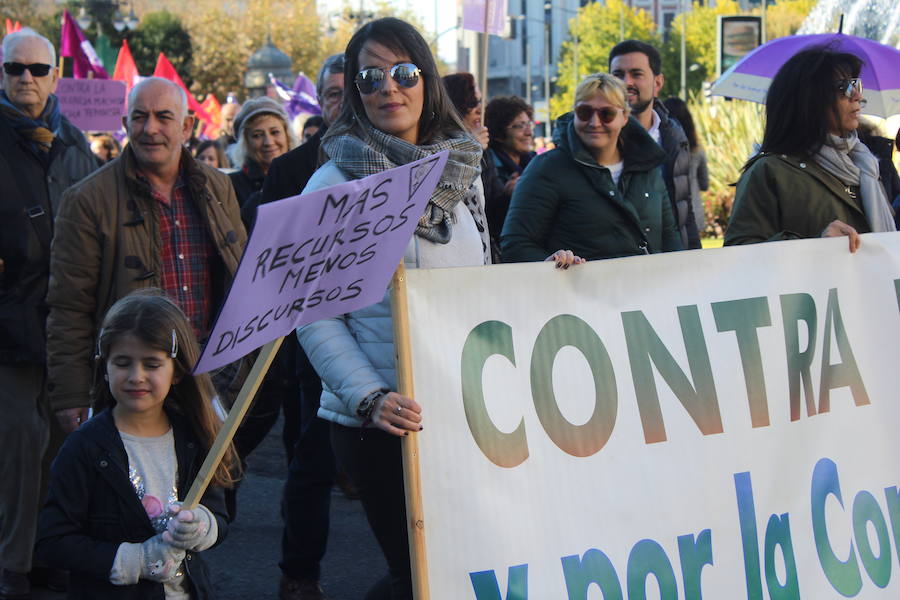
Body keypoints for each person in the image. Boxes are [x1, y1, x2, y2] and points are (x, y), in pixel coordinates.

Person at [296, 18, 490, 600]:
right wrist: (369, 397)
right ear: (354, 92)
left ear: (426, 81)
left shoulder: (463, 172)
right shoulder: (331, 186)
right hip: (381, 423)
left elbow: (483, 279)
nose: (389, 87)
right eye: (370, 77)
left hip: (463, 408)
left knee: (463, 569)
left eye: (404, 72)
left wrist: (552, 278)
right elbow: (314, 314)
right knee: (415, 577)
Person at [45, 76, 248, 436]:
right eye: (139, 117)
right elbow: (69, 308)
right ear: (125, 125)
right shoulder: (87, 200)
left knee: (210, 486)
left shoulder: (217, 186)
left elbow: (242, 279)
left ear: (187, 126)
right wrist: (71, 393)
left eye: (163, 117)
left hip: (212, 380)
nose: (149, 128)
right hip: (134, 381)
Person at [36, 291, 232, 599]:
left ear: (176, 371)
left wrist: (202, 527)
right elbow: (52, 541)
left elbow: (220, 515)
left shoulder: (193, 438)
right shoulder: (84, 448)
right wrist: (134, 560)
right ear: (105, 367)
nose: (136, 376)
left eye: (152, 364)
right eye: (123, 363)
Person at [0, 28, 98, 599]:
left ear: (57, 76)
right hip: (8, 326)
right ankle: (12, 560)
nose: (26, 80)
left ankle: (43, 551)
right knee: (16, 444)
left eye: (38, 70)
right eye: (15, 69)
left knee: (62, 445)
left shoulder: (76, 148)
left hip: (66, 323)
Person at [258, 53, 346, 600]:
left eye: (350, 91)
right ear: (321, 102)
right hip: (319, 336)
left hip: (394, 336)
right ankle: (299, 573)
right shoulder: (290, 171)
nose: (344, 102)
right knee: (313, 460)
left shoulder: (400, 161)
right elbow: (273, 260)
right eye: (333, 93)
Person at [726, 48, 896, 250]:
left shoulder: (869, 164)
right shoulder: (769, 172)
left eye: (855, 84)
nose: (857, 95)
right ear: (810, 99)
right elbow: (740, 252)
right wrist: (816, 245)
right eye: (845, 87)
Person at [501, 73, 682, 263]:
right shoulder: (547, 167)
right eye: (585, 113)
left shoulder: (648, 165)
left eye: (607, 114)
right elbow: (515, 242)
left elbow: (670, 237)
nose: (595, 123)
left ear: (624, 117)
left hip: (647, 288)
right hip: (579, 291)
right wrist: (553, 264)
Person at [610, 40, 701, 249]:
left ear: (657, 83)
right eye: (618, 75)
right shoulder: (598, 140)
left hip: (669, 265)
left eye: (636, 74)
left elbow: (684, 209)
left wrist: (694, 258)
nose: (626, 82)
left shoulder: (674, 135)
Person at [443, 72, 506, 254]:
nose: (480, 109)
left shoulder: (485, 150)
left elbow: (491, 207)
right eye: (472, 103)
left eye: (480, 101)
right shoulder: (438, 148)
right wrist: (469, 151)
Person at [228, 96, 295, 208]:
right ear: (245, 143)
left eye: (275, 132)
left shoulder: (305, 177)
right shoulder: (231, 186)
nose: (268, 142)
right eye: (257, 135)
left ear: (288, 137)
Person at [484, 95, 536, 233]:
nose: (529, 132)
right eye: (519, 126)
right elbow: (486, 219)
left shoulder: (535, 163)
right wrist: (506, 197)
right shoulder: (486, 166)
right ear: (498, 134)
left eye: (529, 124)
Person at [663, 97, 709, 234]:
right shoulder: (697, 151)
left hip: (668, 212)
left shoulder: (660, 149)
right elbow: (704, 183)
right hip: (693, 211)